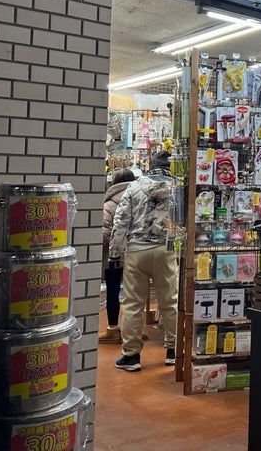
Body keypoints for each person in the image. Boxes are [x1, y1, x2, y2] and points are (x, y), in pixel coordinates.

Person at [109, 150, 178, 371]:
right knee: (170, 302)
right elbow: (183, 221)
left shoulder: (134, 187)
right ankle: (174, 350)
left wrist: (115, 253)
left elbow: (121, 221)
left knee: (133, 304)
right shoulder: (176, 189)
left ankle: (131, 355)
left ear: (151, 166)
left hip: (136, 251)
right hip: (166, 249)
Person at [99, 168, 136, 344]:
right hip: (135, 254)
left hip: (113, 257)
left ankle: (113, 329)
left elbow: (104, 234)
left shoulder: (108, 205)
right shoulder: (140, 200)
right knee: (133, 295)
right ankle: (133, 331)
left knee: (113, 292)